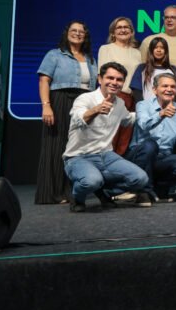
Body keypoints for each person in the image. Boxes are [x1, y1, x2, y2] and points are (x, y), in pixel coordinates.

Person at [62, 62, 148, 212]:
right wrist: (96, 110)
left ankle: (105, 192)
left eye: (119, 79)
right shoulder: (85, 99)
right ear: (100, 79)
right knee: (91, 181)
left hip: (106, 155)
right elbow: (78, 118)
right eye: (110, 78)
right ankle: (77, 198)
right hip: (78, 156)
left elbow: (128, 119)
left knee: (141, 179)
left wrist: (157, 113)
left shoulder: (120, 103)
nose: (114, 82)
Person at [36, 20, 97, 204]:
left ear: (85, 36)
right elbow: (44, 81)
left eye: (81, 31)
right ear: (67, 33)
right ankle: (51, 193)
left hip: (82, 103)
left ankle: (69, 191)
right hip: (60, 100)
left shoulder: (90, 58)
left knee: (75, 148)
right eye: (74, 30)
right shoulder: (54, 55)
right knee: (56, 145)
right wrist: (46, 105)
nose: (77, 33)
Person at [125, 73, 176, 204]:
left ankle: (159, 189)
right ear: (155, 90)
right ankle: (144, 191)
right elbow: (143, 124)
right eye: (165, 86)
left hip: (163, 158)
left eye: (173, 87)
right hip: (139, 156)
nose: (169, 89)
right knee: (150, 145)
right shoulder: (143, 105)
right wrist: (161, 114)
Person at [97, 16, 142, 155]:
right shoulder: (106, 49)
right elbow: (103, 74)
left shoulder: (137, 52)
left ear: (132, 31)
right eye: (119, 27)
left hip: (132, 97)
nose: (123, 30)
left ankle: (119, 163)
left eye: (126, 27)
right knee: (111, 135)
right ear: (113, 32)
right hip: (114, 96)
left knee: (125, 137)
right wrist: (108, 97)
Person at [129, 37, 176, 103]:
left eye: (162, 48)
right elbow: (136, 90)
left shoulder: (173, 69)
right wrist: (142, 106)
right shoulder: (142, 68)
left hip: (168, 107)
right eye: (156, 47)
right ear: (151, 50)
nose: (159, 50)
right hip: (147, 107)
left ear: (166, 51)